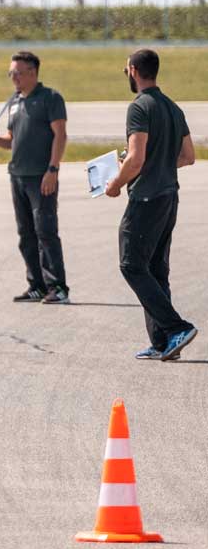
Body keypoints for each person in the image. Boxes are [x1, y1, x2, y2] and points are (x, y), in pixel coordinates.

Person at [104, 48, 197, 361]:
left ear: (132, 70)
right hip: (170, 195)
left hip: (146, 198)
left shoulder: (139, 107)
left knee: (131, 264)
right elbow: (188, 156)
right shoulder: (172, 107)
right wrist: (153, 163)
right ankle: (162, 343)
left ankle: (176, 328)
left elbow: (136, 157)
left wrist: (115, 183)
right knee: (156, 269)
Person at [0, 50, 71, 303]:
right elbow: (12, 141)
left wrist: (53, 169)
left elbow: (60, 136)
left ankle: (58, 287)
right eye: (11, 73)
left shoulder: (50, 98)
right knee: (26, 234)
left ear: (33, 72)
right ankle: (37, 285)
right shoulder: (15, 102)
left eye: (18, 73)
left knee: (46, 232)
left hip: (41, 176)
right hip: (17, 176)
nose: (14, 78)